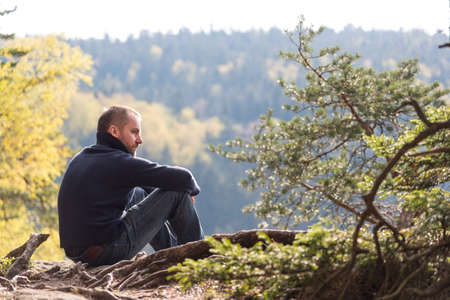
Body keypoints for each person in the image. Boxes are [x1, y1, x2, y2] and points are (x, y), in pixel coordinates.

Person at [58, 105, 204, 267]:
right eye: (134, 132)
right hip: (104, 252)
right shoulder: (119, 163)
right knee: (177, 193)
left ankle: (174, 252)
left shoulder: (84, 157)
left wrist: (159, 200)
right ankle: (199, 261)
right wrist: (190, 189)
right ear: (114, 132)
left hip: (80, 252)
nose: (140, 140)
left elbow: (147, 184)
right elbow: (183, 177)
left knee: (139, 193)